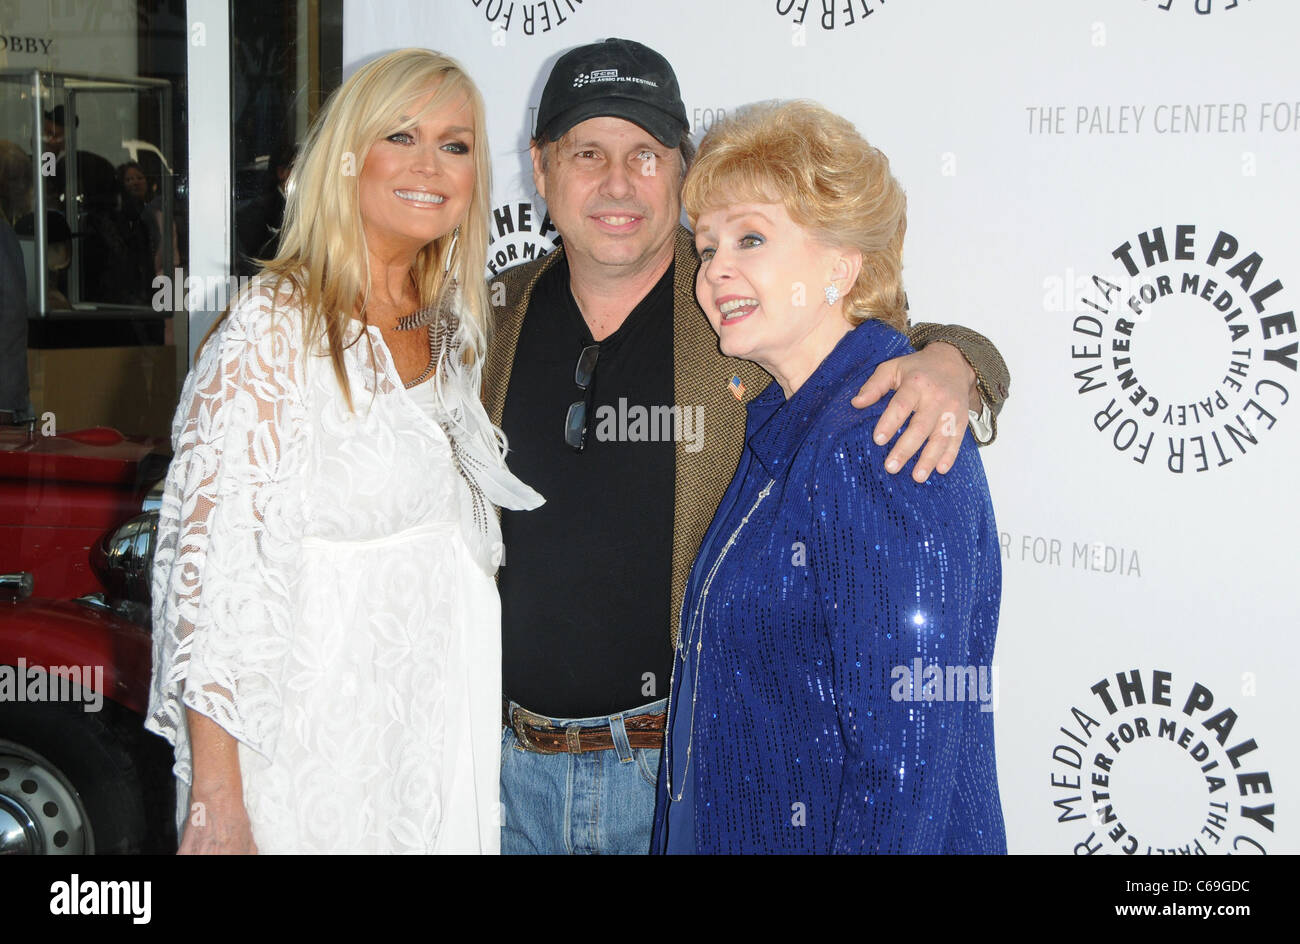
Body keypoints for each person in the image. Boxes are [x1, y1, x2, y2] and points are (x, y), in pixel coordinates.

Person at [486, 38, 1010, 855]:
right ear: (542, 166)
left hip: (663, 766)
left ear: (679, 172)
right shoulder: (488, 314)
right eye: (588, 152)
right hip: (509, 773)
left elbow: (871, 339)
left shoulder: (737, 328)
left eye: (647, 154)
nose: (617, 182)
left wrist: (957, 363)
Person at [146, 48, 542, 854]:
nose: (432, 165)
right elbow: (210, 588)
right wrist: (216, 804)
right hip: (312, 759)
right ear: (347, 159)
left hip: (433, 740)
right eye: (401, 136)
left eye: (456, 144)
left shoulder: (450, 326)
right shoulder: (271, 331)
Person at [652, 100, 1005, 853]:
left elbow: (906, 760)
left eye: (751, 238)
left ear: (842, 264)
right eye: (708, 248)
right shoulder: (791, 419)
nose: (715, 271)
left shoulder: (881, 438)